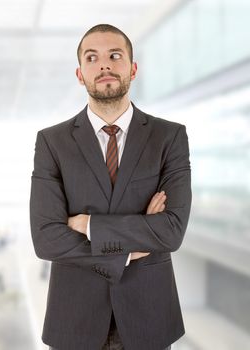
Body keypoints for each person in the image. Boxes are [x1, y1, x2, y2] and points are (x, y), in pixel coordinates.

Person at [29, 24, 191, 350]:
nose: (104, 65)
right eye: (92, 57)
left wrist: (88, 225)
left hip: (149, 319)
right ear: (79, 74)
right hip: (74, 321)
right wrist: (131, 248)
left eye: (114, 56)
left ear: (132, 68)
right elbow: (46, 239)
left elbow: (171, 231)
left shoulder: (169, 138)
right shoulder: (52, 142)